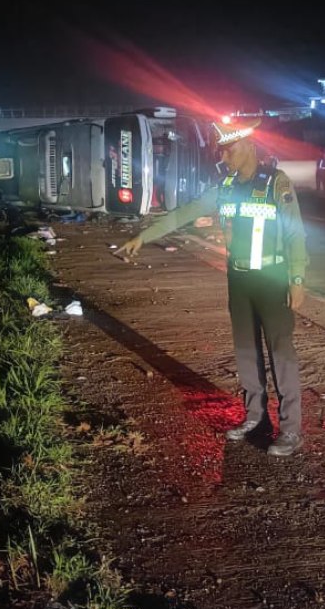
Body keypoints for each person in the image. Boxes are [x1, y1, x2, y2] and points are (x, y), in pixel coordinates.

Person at [119, 118, 309, 456]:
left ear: (249, 146)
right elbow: (185, 213)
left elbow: (295, 234)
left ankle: (291, 429)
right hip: (239, 279)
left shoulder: (276, 183)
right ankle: (256, 418)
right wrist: (143, 236)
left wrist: (297, 279)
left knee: (281, 354)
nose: (225, 157)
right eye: (222, 151)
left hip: (273, 278)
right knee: (246, 352)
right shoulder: (226, 186)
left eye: (230, 150)